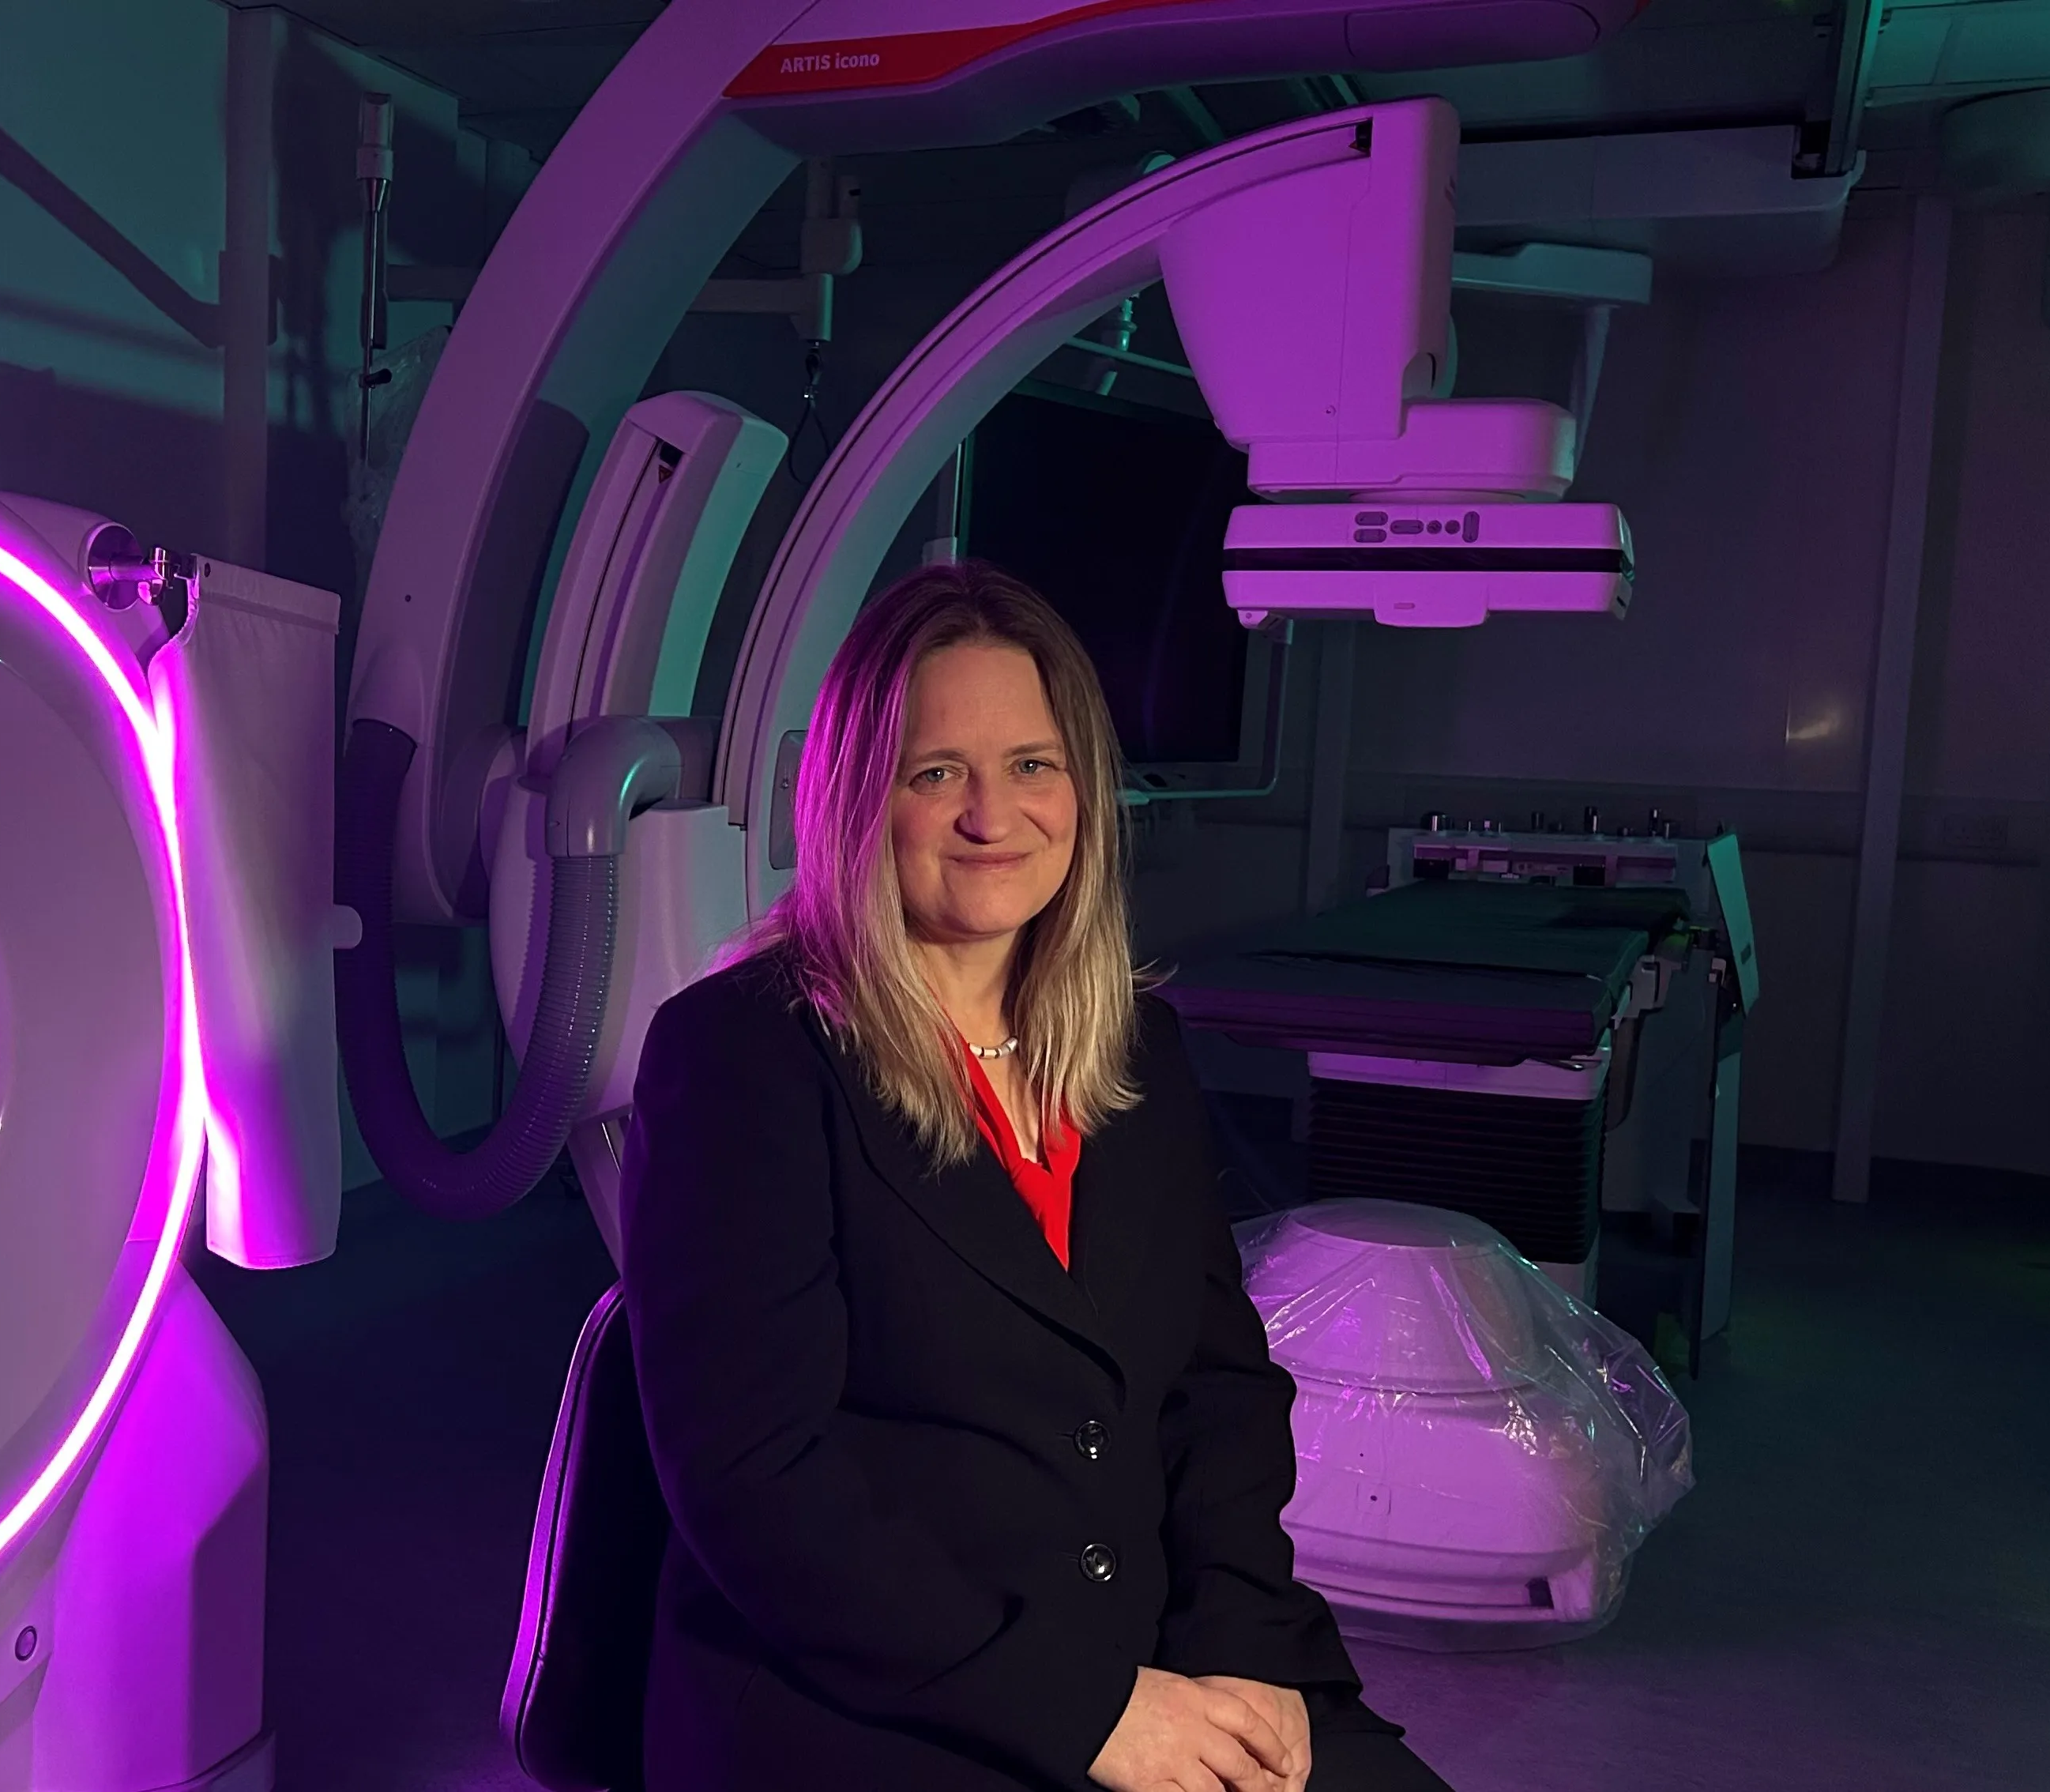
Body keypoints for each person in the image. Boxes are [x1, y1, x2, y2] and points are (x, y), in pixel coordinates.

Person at [621, 562, 1450, 1792]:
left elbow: (1217, 1389)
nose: (990, 815)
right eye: (935, 773)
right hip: (880, 1695)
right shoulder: (743, 1056)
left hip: (1159, 1647)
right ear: (857, 798)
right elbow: (759, 1481)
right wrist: (1090, 1712)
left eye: (1032, 765)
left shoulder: (1135, 1047)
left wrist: (1240, 1645)